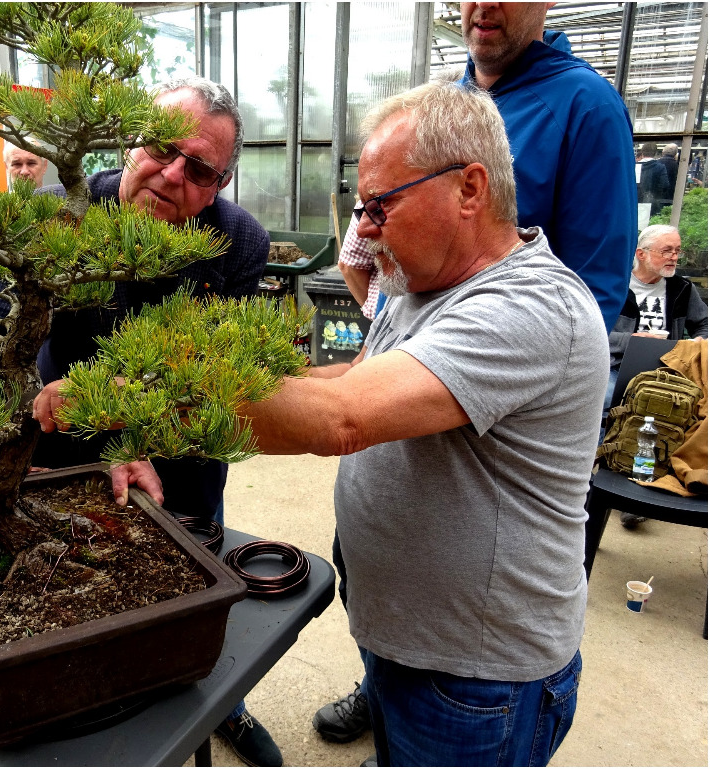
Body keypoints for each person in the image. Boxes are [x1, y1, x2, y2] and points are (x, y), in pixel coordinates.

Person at [231, 80, 605, 766]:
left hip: (475, 677)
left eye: (381, 205)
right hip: (408, 637)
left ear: (469, 188)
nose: (364, 229)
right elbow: (355, 379)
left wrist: (152, 397)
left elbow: (342, 419)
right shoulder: (419, 283)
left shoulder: (529, 307)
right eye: (361, 207)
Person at [322, 2, 638, 744]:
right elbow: (377, 332)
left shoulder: (585, 105)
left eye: (380, 205)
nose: (479, 7)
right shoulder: (450, 101)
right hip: (408, 581)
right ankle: (388, 681)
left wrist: (486, 373)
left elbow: (588, 290)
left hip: (506, 363)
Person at [0, 76, 281, 767]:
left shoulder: (238, 242)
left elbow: (225, 372)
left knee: (193, 600)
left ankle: (224, 704)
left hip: (179, 465)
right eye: (160, 147)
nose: (173, 174)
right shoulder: (50, 217)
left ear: (218, 185)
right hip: (56, 460)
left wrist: (122, 407)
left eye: (200, 170)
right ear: (129, 140)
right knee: (68, 603)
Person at [339, 1, 635, 335]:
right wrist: (383, 339)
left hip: (501, 352)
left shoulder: (587, 105)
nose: (484, 4)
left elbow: (594, 285)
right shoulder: (439, 106)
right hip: (410, 346)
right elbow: (392, 256)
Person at [607, 224, 708, 529]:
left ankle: (639, 493)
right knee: (607, 406)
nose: (674, 257)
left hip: (667, 371)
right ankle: (605, 483)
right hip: (619, 365)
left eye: (677, 251)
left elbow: (704, 323)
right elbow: (593, 331)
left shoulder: (682, 289)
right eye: (666, 250)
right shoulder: (614, 286)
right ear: (641, 253)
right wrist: (632, 340)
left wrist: (697, 343)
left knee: (673, 418)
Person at [637, 141, 670, 217]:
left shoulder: (635, 166)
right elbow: (665, 185)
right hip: (653, 203)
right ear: (655, 153)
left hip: (635, 201)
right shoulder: (660, 167)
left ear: (642, 152)